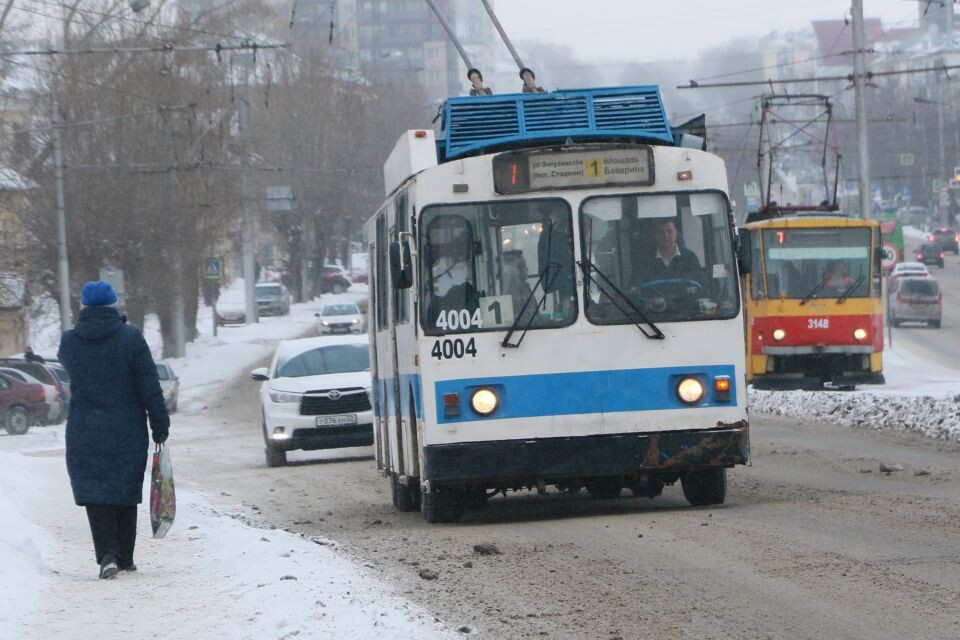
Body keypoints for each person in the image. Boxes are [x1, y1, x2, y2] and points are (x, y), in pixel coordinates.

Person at [57, 280, 169, 579]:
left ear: (84, 307)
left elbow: (69, 364)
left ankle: (107, 554)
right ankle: (126, 556)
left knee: (95, 491)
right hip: (127, 428)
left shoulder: (69, 342)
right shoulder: (131, 338)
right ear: (113, 306)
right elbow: (149, 385)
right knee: (125, 488)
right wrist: (160, 423)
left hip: (84, 429)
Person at [637, 218, 706, 288]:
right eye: (661, 233)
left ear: (676, 233)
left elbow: (703, 286)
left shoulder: (690, 258)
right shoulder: (645, 261)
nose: (666, 235)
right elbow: (634, 289)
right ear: (656, 236)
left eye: (669, 231)